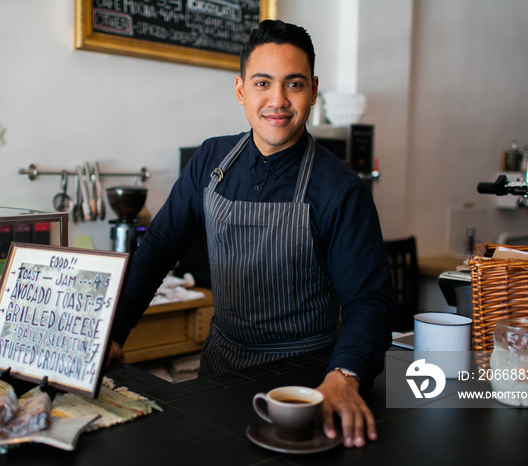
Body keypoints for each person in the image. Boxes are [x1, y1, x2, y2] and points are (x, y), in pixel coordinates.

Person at [107, 19, 396, 448]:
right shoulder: (211, 160)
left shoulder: (340, 190)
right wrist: (113, 333)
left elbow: (369, 301)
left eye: (294, 84)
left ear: (313, 90)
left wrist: (345, 374)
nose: (277, 100)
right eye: (263, 83)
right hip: (221, 367)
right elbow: (159, 247)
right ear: (241, 89)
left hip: (305, 382)